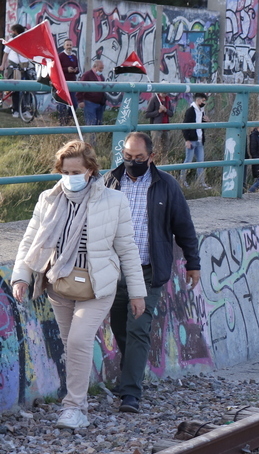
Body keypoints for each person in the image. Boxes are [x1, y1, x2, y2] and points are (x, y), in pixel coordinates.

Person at [11, 141, 147, 430]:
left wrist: (137, 293)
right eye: (65, 171)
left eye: (76, 171)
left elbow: (127, 249)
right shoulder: (48, 199)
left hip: (97, 286)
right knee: (69, 345)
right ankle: (77, 403)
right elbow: (30, 240)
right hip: (59, 283)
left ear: (90, 170)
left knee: (78, 340)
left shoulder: (113, 201)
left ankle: (74, 407)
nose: (70, 177)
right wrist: (21, 276)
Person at [103, 132, 200, 414]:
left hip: (147, 270)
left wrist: (193, 263)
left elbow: (184, 227)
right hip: (113, 270)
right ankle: (129, 375)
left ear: (151, 157)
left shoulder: (166, 186)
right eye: (128, 157)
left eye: (139, 158)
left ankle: (130, 393)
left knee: (138, 328)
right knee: (120, 327)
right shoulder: (109, 182)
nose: (132, 162)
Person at [181, 92, 210, 189]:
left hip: (200, 140)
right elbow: (185, 126)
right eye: (203, 100)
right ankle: (182, 181)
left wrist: (206, 121)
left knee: (201, 162)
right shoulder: (190, 111)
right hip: (192, 140)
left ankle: (201, 182)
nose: (204, 103)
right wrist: (187, 140)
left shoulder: (202, 111)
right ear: (198, 100)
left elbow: (201, 125)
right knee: (188, 161)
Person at [1, 24, 27, 118]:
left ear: (16, 31)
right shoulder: (12, 41)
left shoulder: (25, 41)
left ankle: (24, 110)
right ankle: (15, 110)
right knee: (14, 89)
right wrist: (3, 65)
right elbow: (5, 53)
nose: (12, 33)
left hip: (24, 66)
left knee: (26, 89)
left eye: (13, 31)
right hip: (14, 66)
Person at [57, 38, 80, 125]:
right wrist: (67, 69)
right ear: (64, 46)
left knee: (74, 104)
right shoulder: (60, 56)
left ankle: (69, 119)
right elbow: (57, 69)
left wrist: (75, 70)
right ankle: (62, 122)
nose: (69, 47)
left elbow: (78, 69)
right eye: (67, 45)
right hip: (62, 83)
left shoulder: (74, 57)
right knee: (62, 104)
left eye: (70, 45)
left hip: (72, 83)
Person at [145, 91, 175, 157]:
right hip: (156, 128)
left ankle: (164, 161)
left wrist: (166, 110)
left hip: (166, 128)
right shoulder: (154, 99)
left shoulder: (168, 100)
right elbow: (147, 114)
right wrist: (158, 111)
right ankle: (155, 161)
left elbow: (171, 114)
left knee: (166, 147)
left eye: (166, 92)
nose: (165, 94)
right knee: (156, 147)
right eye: (163, 92)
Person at [78, 60, 106, 130]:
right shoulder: (87, 75)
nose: (101, 70)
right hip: (89, 102)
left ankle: (96, 136)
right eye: (100, 68)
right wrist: (80, 100)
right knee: (91, 123)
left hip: (100, 103)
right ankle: (91, 137)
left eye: (102, 68)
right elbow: (80, 87)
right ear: (95, 67)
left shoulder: (101, 76)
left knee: (98, 123)